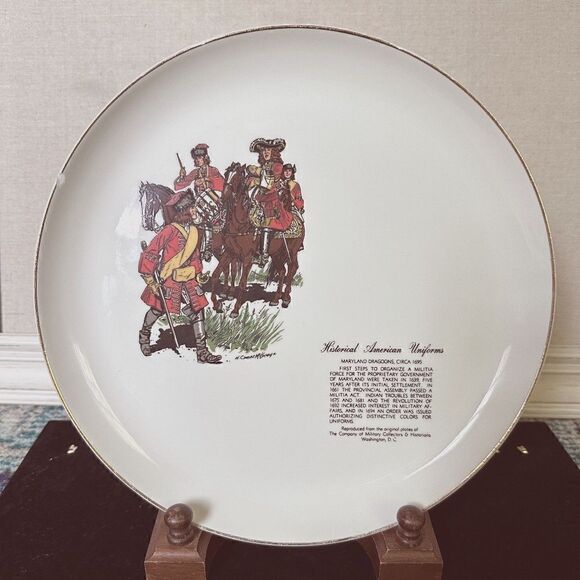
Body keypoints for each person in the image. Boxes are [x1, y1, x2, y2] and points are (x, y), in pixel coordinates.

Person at [138, 190, 221, 364]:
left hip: (188, 278)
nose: (195, 210)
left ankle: (202, 351)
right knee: (157, 309)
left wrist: (197, 272)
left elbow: (195, 256)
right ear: (184, 210)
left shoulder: (194, 231)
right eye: (192, 207)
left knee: (198, 310)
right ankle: (144, 335)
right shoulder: (169, 231)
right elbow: (151, 252)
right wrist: (150, 280)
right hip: (169, 279)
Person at [174, 143, 225, 261]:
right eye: (195, 158)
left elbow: (222, 184)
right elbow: (178, 186)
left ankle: (208, 249)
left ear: (205, 158)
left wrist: (206, 180)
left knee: (207, 219)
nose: (196, 160)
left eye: (199, 158)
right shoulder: (195, 172)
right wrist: (181, 176)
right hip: (199, 202)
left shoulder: (213, 170)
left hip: (213, 201)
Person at [246, 137, 286, 266]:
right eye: (263, 150)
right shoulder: (264, 166)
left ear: (274, 152)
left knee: (266, 223)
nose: (266, 152)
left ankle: (263, 255)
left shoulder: (278, 166)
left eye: (268, 150)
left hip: (272, 201)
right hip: (259, 199)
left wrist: (256, 173)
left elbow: (270, 184)